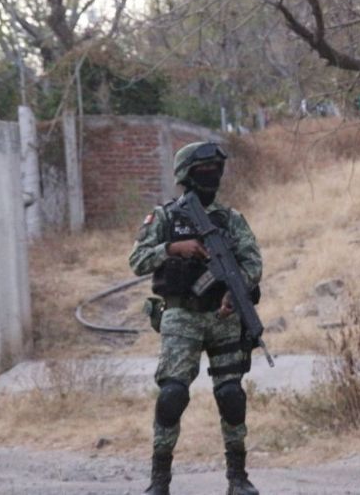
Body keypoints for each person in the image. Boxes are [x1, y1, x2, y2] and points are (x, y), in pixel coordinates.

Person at [130, 142, 263, 495]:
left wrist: (234, 294)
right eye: (204, 169)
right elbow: (138, 260)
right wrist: (172, 249)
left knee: (232, 395)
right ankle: (160, 481)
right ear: (186, 174)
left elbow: (252, 264)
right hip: (181, 316)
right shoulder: (165, 217)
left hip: (223, 317)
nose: (211, 176)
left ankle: (238, 478)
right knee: (172, 395)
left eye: (215, 169)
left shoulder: (229, 219)